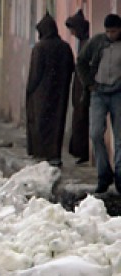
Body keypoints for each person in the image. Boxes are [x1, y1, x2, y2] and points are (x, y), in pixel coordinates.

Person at [77, 13, 121, 193]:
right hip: (98, 93)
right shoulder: (96, 42)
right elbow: (81, 61)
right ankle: (104, 174)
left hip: (118, 93)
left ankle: (119, 176)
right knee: (95, 133)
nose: (111, 35)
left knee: (120, 138)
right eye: (108, 31)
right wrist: (89, 84)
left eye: (115, 31)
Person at [26, 13, 75, 167]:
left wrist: (29, 91)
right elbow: (71, 68)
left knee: (41, 123)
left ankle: (42, 154)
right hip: (60, 94)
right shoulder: (65, 47)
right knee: (57, 123)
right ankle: (54, 154)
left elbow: (35, 74)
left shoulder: (40, 48)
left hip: (41, 94)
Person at [66, 10, 91, 164]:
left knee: (82, 119)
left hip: (84, 88)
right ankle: (80, 151)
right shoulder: (82, 42)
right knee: (79, 118)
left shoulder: (87, 43)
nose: (73, 33)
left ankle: (83, 151)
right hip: (79, 87)